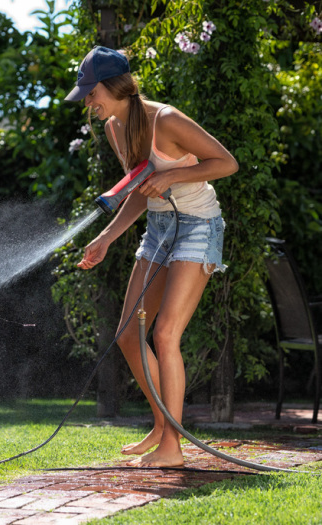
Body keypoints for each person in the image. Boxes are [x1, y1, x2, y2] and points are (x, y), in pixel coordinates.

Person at [65, 46, 238, 467]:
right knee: (128, 335)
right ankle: (163, 427)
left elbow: (226, 163)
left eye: (92, 92)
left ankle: (173, 450)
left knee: (164, 335)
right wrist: (106, 238)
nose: (88, 101)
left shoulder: (167, 119)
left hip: (198, 224)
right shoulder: (114, 128)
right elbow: (140, 193)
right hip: (160, 230)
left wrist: (174, 173)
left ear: (114, 86)